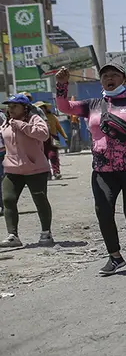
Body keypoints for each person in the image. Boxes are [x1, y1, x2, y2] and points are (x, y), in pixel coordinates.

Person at [55, 63, 126, 275]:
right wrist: (62, 84)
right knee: (103, 211)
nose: (109, 78)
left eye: (114, 75)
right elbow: (65, 107)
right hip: (103, 169)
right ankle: (114, 257)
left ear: (123, 79)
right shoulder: (92, 104)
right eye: (105, 76)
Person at [0, 95, 54, 249]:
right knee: (8, 199)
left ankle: (46, 232)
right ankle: (13, 236)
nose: (10, 109)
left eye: (14, 106)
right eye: (9, 106)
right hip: (12, 168)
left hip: (35, 168)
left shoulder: (34, 119)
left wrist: (21, 125)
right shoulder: (6, 122)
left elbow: (43, 135)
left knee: (40, 199)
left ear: (25, 107)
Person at [34, 102, 65, 179]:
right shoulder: (36, 119)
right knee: (44, 157)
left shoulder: (52, 116)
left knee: (54, 155)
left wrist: (64, 136)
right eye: (39, 108)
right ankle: (47, 173)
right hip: (42, 139)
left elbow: (59, 127)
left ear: (45, 108)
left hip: (54, 137)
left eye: (42, 108)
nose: (41, 109)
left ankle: (56, 172)